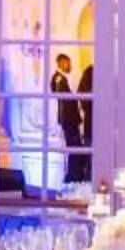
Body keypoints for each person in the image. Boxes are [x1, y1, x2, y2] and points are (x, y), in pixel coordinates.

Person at [53, 55, 91, 186]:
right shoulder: (59, 79)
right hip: (69, 121)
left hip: (70, 121)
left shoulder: (63, 79)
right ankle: (72, 179)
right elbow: (63, 99)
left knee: (76, 150)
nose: (71, 67)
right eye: (68, 64)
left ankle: (74, 177)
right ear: (62, 63)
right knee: (75, 150)